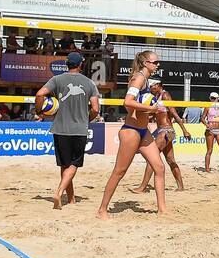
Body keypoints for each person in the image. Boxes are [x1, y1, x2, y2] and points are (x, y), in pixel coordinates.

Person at [97, 51, 168, 220]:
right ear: (145, 63)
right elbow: (127, 102)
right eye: (155, 62)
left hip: (143, 131)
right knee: (119, 171)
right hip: (131, 130)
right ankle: (102, 209)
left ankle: (162, 209)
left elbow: (133, 105)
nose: (158, 65)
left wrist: (146, 109)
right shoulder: (139, 78)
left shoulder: (146, 79)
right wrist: (150, 109)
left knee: (159, 167)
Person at [38, 51, 102, 211]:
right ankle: (59, 192)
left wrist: (39, 111)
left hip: (60, 128)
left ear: (67, 64)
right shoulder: (89, 83)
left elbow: (40, 94)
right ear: (81, 64)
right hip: (79, 129)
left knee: (64, 164)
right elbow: (95, 109)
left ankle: (71, 198)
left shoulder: (57, 79)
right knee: (74, 164)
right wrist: (87, 119)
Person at [130, 80, 190, 194]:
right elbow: (157, 114)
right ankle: (181, 186)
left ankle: (142, 187)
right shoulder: (156, 98)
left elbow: (174, 113)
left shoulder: (165, 95)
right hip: (163, 130)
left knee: (152, 157)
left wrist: (184, 130)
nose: (151, 88)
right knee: (170, 159)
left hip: (166, 130)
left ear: (158, 85)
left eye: (153, 86)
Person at [201, 92, 219, 173]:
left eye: (214, 98)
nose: (213, 99)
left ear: (218, 98)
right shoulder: (207, 106)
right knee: (209, 150)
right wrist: (207, 125)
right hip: (210, 130)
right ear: (210, 98)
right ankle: (207, 169)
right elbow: (202, 118)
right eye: (212, 98)